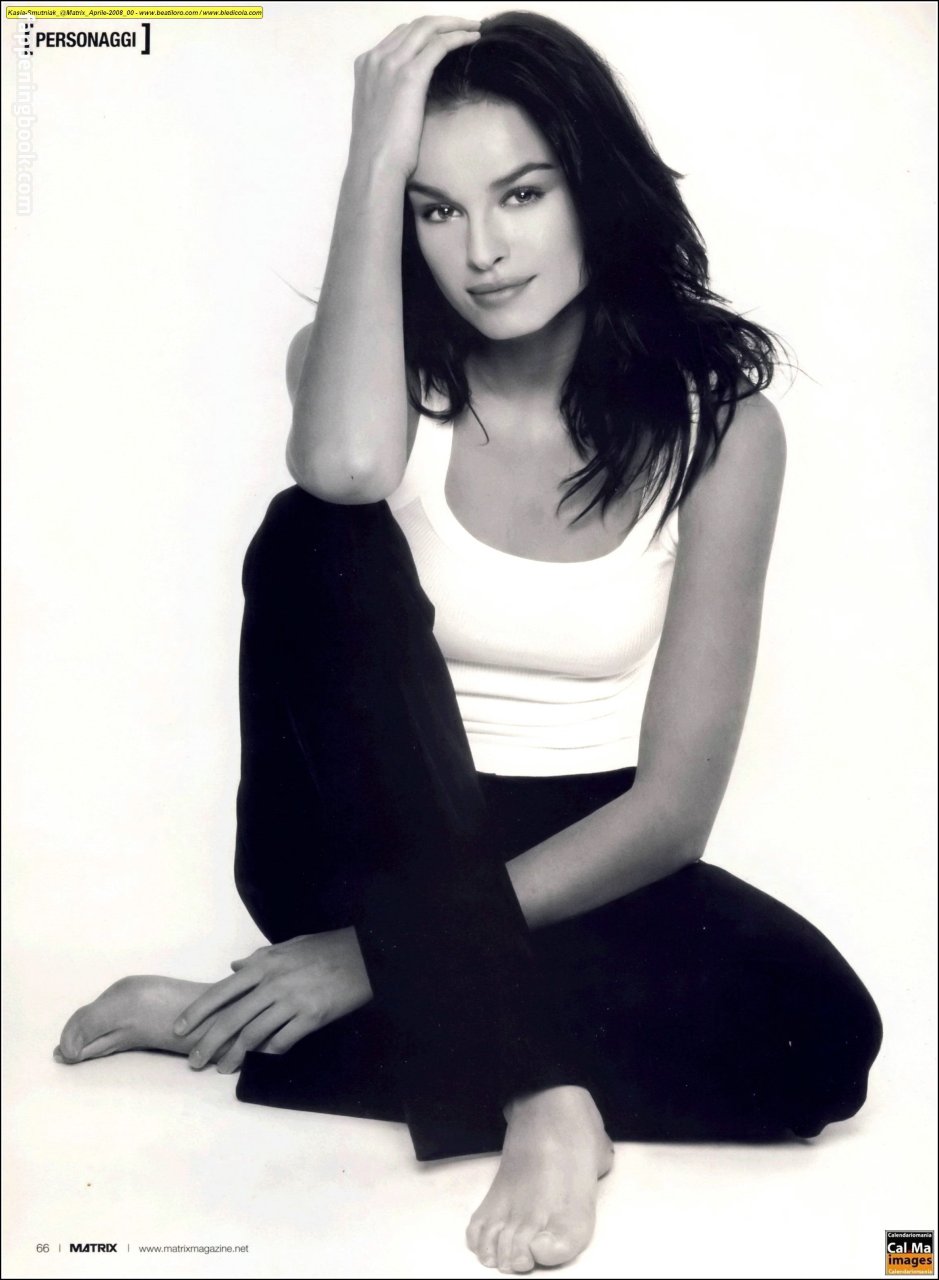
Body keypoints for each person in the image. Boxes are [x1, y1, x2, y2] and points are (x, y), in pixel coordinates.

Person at [54, 11, 883, 1273]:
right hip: (355, 840)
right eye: (434, 209)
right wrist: (369, 154)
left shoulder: (721, 428)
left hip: (566, 851)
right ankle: (540, 1096)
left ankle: (243, 1018)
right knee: (317, 527)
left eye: (522, 194)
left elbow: (671, 811)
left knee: (821, 1039)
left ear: (595, 187)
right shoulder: (363, 379)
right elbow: (342, 468)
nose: (482, 251)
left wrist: (375, 960)